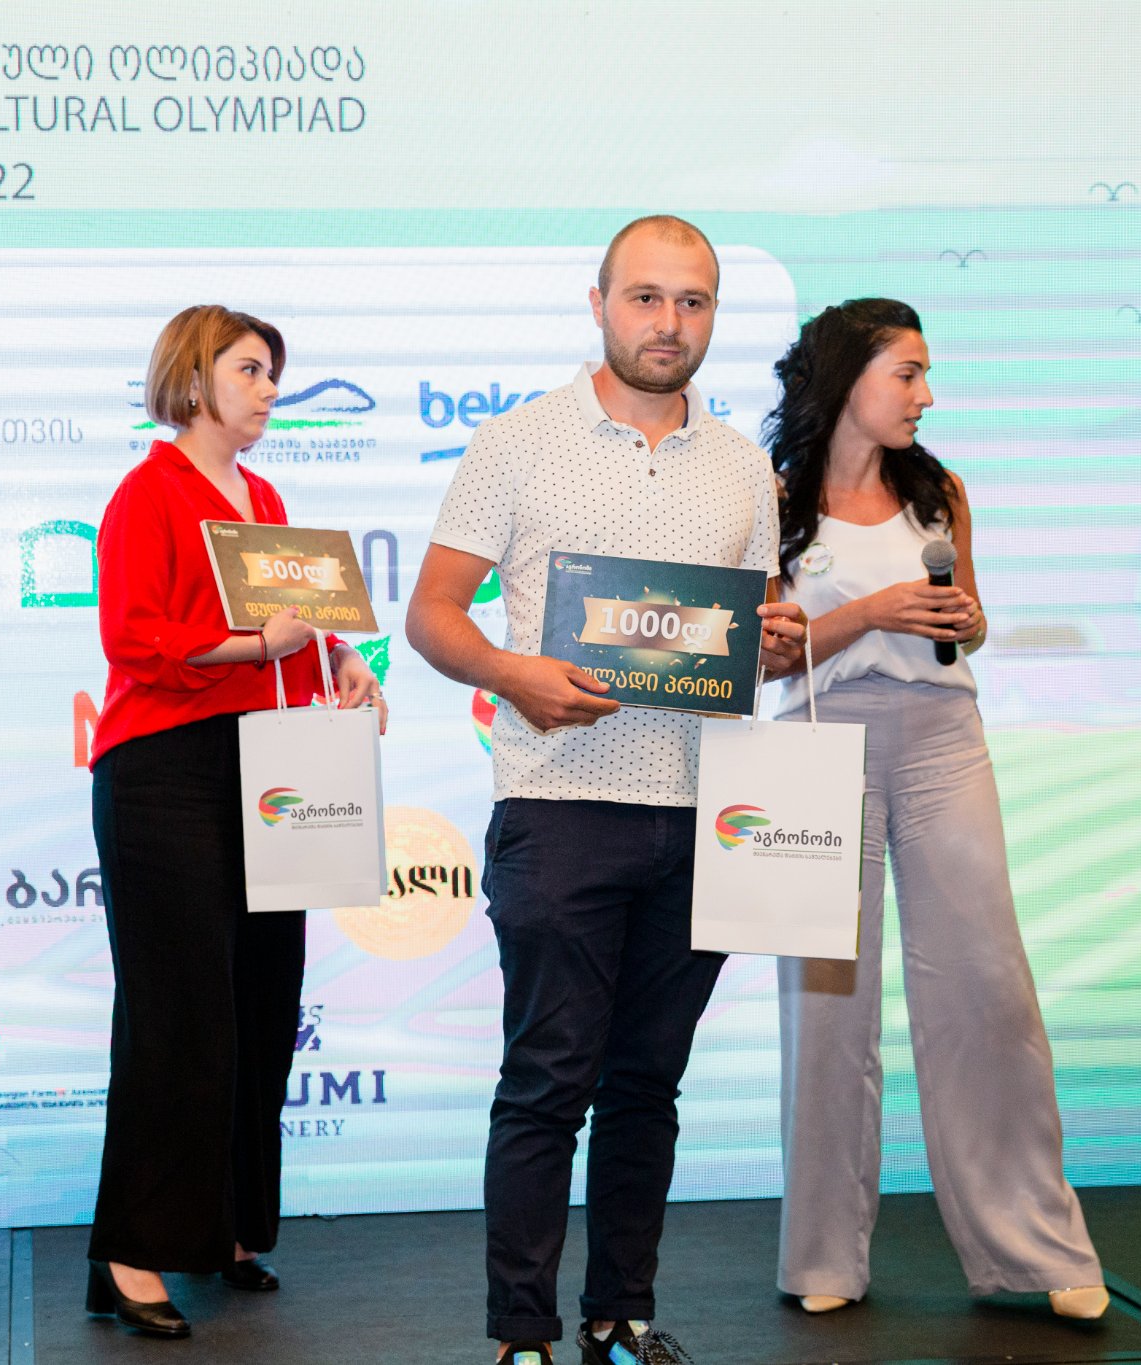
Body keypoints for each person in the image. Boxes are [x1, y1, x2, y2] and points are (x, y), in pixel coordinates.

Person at [406, 216, 808, 1365]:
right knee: (545, 1083)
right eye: (644, 297)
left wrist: (777, 641)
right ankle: (519, 1334)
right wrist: (511, 672)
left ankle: (619, 1315)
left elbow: (747, 634)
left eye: (691, 301)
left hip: (703, 813)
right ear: (597, 305)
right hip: (558, 809)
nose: (666, 323)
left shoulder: (742, 466)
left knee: (646, 1086)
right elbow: (430, 614)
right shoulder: (519, 441)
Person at [760, 297, 1108, 1321]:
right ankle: (823, 1258)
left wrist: (965, 617)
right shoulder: (770, 496)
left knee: (987, 989)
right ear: (848, 379)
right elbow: (759, 659)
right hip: (816, 744)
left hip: (942, 739)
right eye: (906, 373)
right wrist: (871, 612)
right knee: (825, 1008)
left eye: (924, 374)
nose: (924, 395)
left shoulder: (938, 489)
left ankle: (1035, 1251)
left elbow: (969, 625)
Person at [84, 304, 387, 1340]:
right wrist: (259, 646)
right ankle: (131, 1251)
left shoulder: (265, 499)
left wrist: (341, 661)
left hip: (264, 764)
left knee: (262, 1002)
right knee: (180, 1016)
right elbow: (134, 639)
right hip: (162, 771)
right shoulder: (146, 492)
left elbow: (303, 632)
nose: (268, 390)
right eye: (250, 370)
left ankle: (224, 1227)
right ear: (193, 376)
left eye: (272, 373)